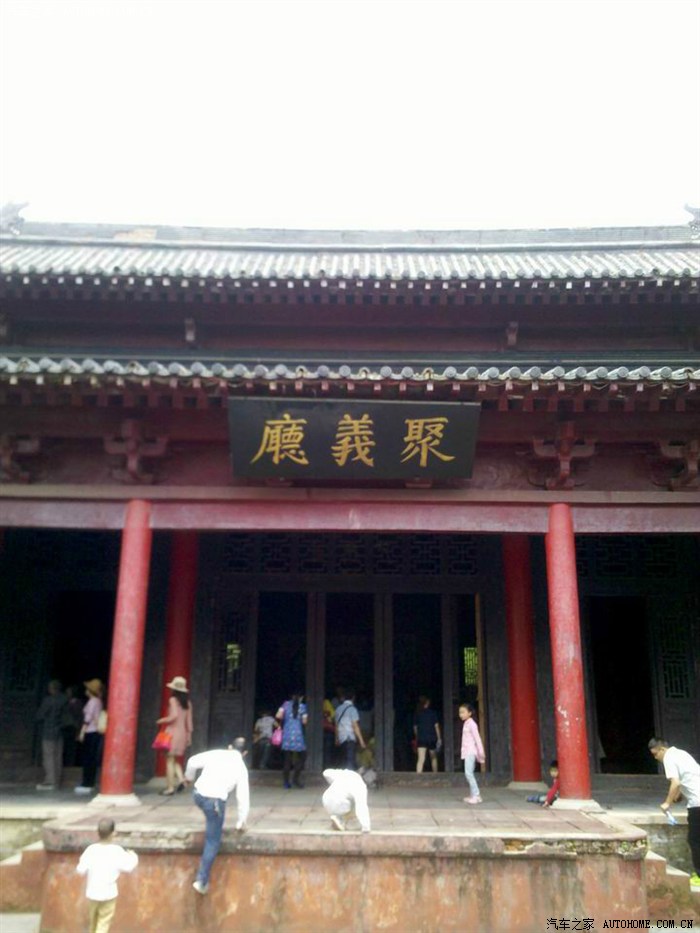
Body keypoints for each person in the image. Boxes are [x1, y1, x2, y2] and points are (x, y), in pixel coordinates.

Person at [184, 737, 250, 895]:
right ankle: (201, 880)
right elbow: (243, 796)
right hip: (215, 802)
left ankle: (210, 817)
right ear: (245, 753)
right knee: (213, 840)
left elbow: (192, 761)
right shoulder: (241, 767)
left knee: (211, 815)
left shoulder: (216, 753)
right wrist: (241, 821)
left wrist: (189, 778)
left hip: (198, 795)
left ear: (230, 747)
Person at [648, 737, 700, 891]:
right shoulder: (682, 754)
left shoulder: (669, 758)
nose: (656, 758)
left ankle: (699, 876)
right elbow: (690, 777)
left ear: (662, 749)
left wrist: (667, 803)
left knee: (695, 841)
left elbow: (676, 782)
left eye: (656, 754)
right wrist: (678, 795)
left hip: (697, 804)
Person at [76, 817, 138, 933]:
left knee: (92, 923)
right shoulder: (117, 851)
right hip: (109, 893)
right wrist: (134, 856)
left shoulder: (91, 850)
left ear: (98, 833)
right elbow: (129, 867)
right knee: (103, 923)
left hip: (93, 892)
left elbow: (80, 869)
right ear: (113, 833)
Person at [155, 675, 193, 795]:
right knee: (175, 759)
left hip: (172, 732)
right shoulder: (188, 703)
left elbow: (174, 716)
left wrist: (162, 720)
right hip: (182, 733)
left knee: (169, 760)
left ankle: (170, 788)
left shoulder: (173, 700)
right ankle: (182, 780)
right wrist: (189, 736)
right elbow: (189, 721)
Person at [35, 679, 69, 790]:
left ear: (51, 689)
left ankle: (50, 781)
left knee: (49, 756)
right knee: (58, 756)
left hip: (49, 731)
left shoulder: (48, 700)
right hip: (60, 731)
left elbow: (40, 715)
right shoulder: (65, 700)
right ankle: (57, 780)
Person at [75, 679, 104, 795]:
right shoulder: (99, 701)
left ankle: (86, 783)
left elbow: (88, 718)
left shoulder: (92, 701)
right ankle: (90, 782)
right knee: (92, 758)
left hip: (90, 731)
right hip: (96, 732)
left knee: (88, 758)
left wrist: (82, 732)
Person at [322, 768, 371, 833]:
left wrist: (334, 782)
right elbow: (362, 806)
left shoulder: (345, 773)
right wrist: (366, 827)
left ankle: (337, 817)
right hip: (339, 804)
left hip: (326, 799)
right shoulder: (360, 786)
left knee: (346, 799)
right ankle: (340, 820)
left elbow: (326, 773)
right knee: (356, 804)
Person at [276, 692, 308, 789]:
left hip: (287, 734)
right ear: (301, 697)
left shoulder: (285, 704)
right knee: (302, 756)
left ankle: (286, 783)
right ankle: (295, 779)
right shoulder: (302, 706)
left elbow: (278, 716)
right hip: (298, 736)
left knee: (287, 760)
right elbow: (304, 722)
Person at [459, 702, 485, 805]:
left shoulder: (472, 724)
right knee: (470, 773)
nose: (461, 714)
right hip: (467, 751)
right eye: (460, 712)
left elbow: (477, 738)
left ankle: (477, 795)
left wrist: (481, 751)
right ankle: (472, 794)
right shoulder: (466, 723)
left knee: (468, 773)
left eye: (463, 712)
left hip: (471, 751)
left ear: (469, 713)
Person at [334, 688, 366, 771]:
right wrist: (361, 741)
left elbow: (336, 726)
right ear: (353, 698)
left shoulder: (338, 709)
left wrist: (336, 738)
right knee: (350, 761)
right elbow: (355, 726)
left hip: (341, 738)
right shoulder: (352, 709)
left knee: (344, 761)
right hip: (349, 737)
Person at [414, 695, 442, 774]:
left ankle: (418, 776)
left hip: (421, 738)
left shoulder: (417, 713)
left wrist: (417, 737)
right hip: (432, 738)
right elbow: (436, 726)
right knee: (433, 758)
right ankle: (435, 775)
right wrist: (439, 738)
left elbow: (415, 728)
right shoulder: (432, 713)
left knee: (421, 759)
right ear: (427, 703)